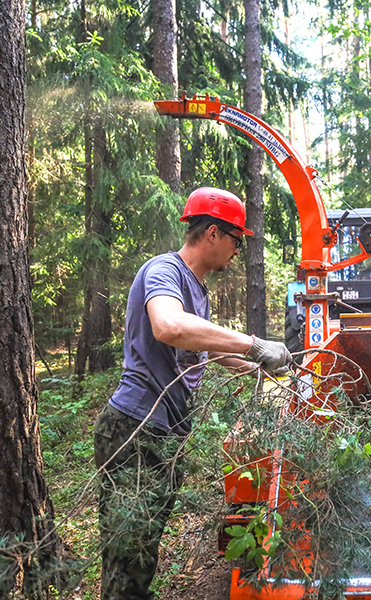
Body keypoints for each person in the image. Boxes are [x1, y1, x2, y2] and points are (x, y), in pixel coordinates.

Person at [93, 186, 292, 600]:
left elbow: (202, 348)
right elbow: (170, 327)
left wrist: (267, 369)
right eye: (237, 240)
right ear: (214, 234)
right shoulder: (163, 271)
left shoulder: (196, 287)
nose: (238, 250)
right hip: (136, 430)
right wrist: (253, 344)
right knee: (128, 555)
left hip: (164, 431)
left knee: (144, 548)